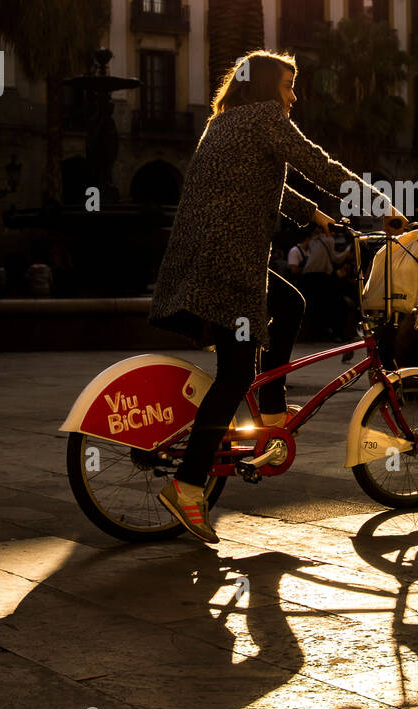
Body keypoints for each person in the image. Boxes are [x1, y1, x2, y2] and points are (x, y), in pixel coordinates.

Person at [149, 49, 399, 543]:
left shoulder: (224, 124)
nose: (294, 95)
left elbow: (270, 184)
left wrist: (317, 217)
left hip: (208, 258)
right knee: (235, 371)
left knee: (290, 304)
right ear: (265, 87)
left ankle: (270, 410)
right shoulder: (265, 118)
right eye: (287, 84)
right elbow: (317, 164)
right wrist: (382, 206)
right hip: (228, 263)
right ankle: (188, 484)